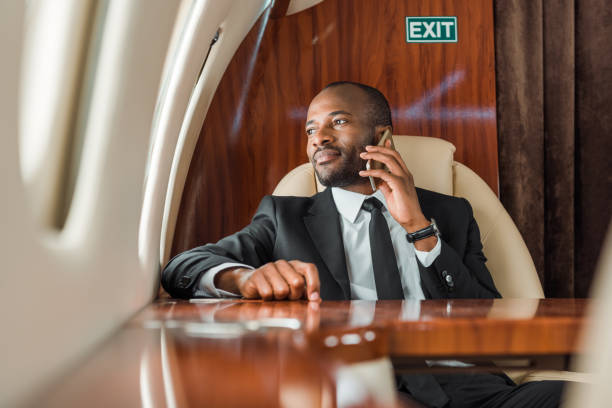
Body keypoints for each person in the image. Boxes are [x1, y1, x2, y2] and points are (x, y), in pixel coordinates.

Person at [162, 81, 563, 407]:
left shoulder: (451, 213)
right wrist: (242, 279)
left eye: (337, 122)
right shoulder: (285, 217)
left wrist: (420, 228)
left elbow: (487, 313)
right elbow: (182, 266)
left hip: (467, 387)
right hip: (354, 387)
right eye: (310, 129)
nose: (318, 137)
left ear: (382, 136)